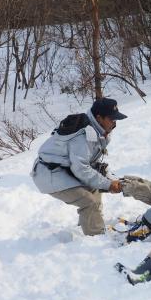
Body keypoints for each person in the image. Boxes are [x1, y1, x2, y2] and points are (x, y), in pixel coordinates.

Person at [31, 98, 126, 236]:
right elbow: (81, 169)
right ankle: (96, 238)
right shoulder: (83, 135)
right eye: (111, 119)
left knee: (94, 188)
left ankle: (91, 222)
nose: (114, 123)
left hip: (64, 169)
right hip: (49, 173)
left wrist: (107, 178)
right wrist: (108, 184)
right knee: (88, 201)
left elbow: (87, 162)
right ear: (99, 118)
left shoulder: (97, 131)